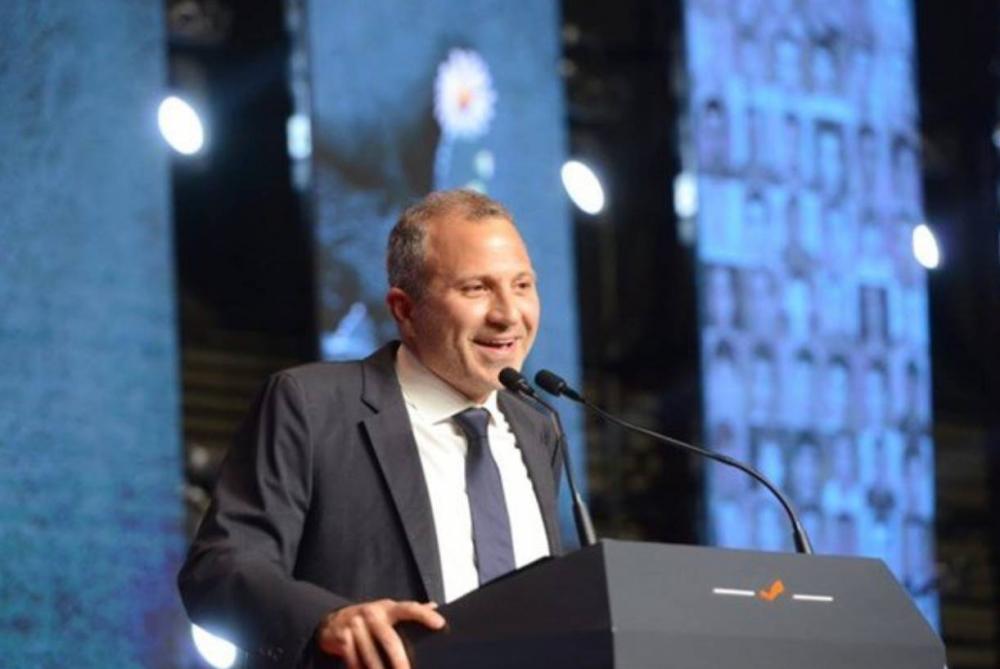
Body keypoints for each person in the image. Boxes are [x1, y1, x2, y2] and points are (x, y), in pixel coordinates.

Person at [178, 190, 564, 669]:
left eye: (522, 285)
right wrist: (326, 621)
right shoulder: (311, 405)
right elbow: (219, 570)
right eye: (475, 289)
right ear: (404, 309)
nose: (508, 314)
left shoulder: (538, 428)